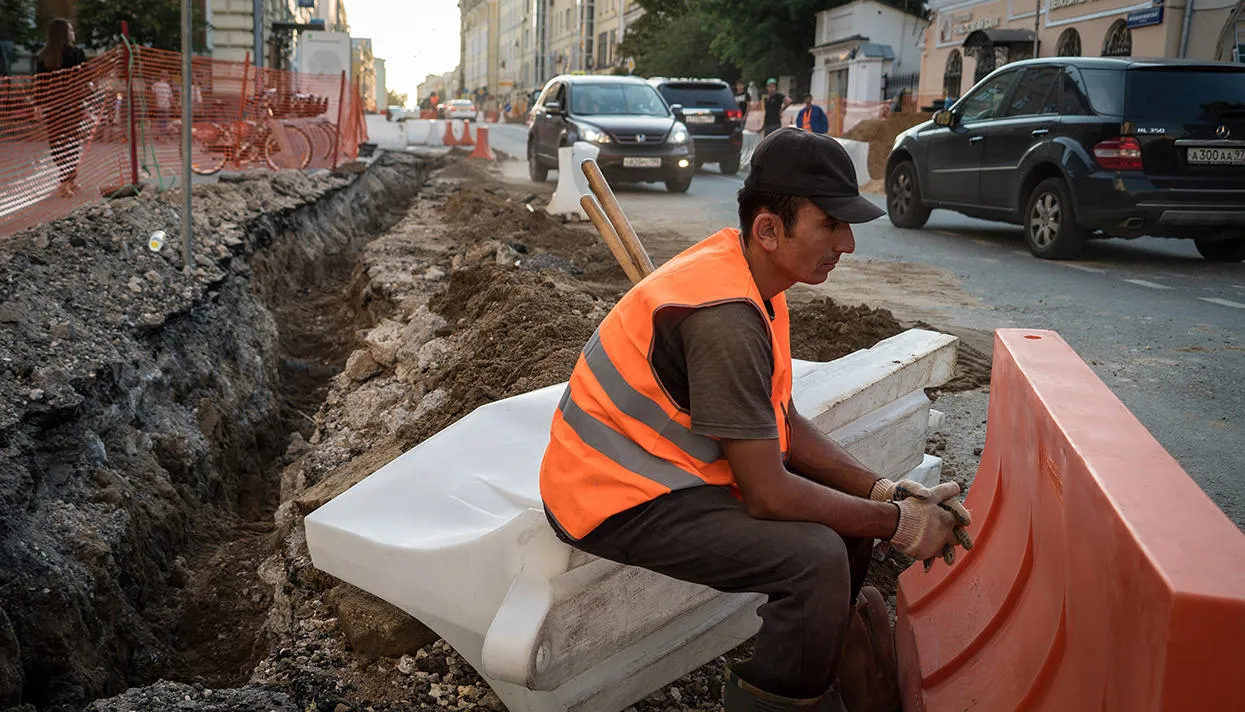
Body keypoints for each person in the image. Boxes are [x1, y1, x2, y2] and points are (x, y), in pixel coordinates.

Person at [538, 127, 973, 712]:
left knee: (846, 529)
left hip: (666, 476)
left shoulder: (757, 281)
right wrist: (896, 523)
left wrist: (883, 491)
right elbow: (768, 494)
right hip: (609, 497)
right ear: (769, 228)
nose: (847, 243)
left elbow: (783, 423)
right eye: (831, 224)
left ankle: (818, 668)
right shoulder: (725, 318)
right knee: (814, 561)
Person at [33, 18, 88, 198]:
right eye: (70, 30)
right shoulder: (77, 54)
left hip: (53, 107)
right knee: (72, 144)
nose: (73, 33)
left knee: (57, 144)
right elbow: (86, 79)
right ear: (64, 34)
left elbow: (40, 83)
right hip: (73, 107)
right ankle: (68, 180)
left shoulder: (43, 56)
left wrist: (38, 105)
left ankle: (66, 180)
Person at [152, 71, 173, 137]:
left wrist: (155, 104)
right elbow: (171, 97)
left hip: (159, 105)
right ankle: (162, 135)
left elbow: (153, 96)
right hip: (166, 105)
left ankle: (159, 134)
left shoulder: (155, 85)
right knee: (165, 120)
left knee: (160, 119)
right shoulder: (167, 86)